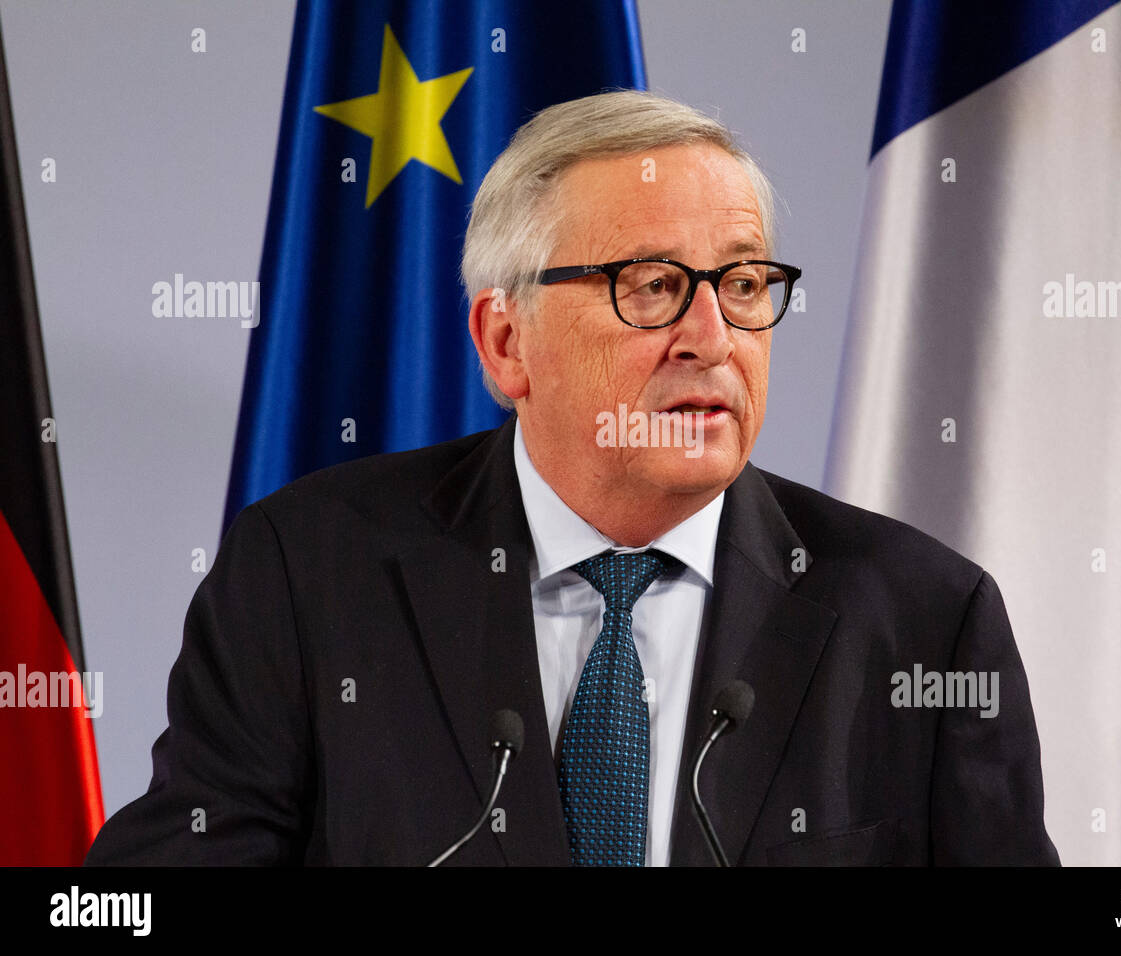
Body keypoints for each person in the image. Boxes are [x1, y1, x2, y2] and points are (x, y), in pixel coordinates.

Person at [85, 91, 1058, 866]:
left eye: (745, 283)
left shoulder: (923, 614)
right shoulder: (308, 573)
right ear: (507, 342)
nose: (712, 338)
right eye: (652, 286)